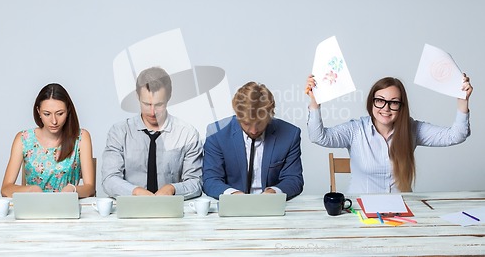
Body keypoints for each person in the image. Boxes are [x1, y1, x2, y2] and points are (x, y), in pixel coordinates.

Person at [305, 73, 473, 193]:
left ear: (401, 107)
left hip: (401, 212)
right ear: (372, 102)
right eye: (380, 101)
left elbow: (456, 135)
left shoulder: (412, 129)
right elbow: (318, 136)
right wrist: (315, 103)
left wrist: (462, 101)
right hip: (361, 211)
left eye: (393, 102)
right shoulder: (355, 130)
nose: (385, 108)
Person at [101, 66, 202, 199]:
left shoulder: (187, 134)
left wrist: (172, 189)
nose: (152, 112)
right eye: (147, 104)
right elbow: (109, 179)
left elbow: (196, 182)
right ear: (137, 96)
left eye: (159, 104)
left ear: (169, 97)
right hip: (131, 206)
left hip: (171, 208)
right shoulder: (119, 132)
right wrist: (135, 191)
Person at [203, 81, 304, 200]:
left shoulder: (290, 134)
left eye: (260, 123)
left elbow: (293, 179)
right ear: (237, 116)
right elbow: (211, 180)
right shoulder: (216, 134)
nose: (254, 130)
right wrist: (234, 195)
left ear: (270, 115)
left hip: (272, 207)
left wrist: (273, 192)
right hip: (232, 206)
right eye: (246, 124)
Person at [1, 83, 95, 198]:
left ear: (68, 110)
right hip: (33, 208)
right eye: (47, 114)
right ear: (38, 111)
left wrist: (73, 189)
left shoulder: (81, 138)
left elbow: (90, 188)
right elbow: (6, 188)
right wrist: (31, 190)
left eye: (60, 113)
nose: (54, 121)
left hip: (67, 207)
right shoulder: (24, 139)